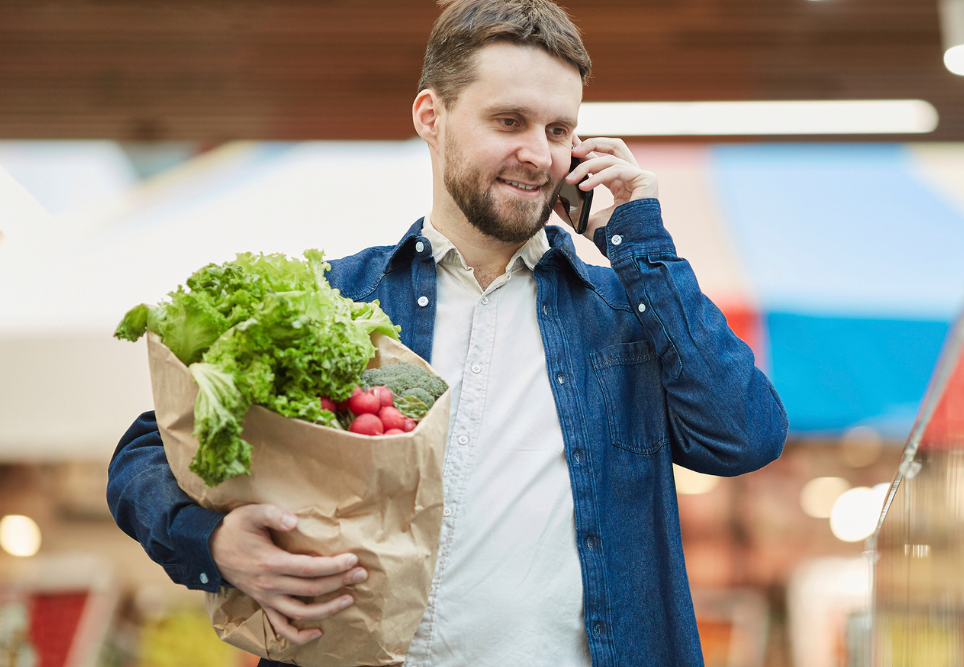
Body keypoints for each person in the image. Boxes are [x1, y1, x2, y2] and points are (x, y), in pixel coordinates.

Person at [107, 1, 788, 665]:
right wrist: (215, 541)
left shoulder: (622, 316)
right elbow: (149, 446)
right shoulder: (342, 299)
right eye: (509, 121)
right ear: (431, 117)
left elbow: (744, 432)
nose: (538, 154)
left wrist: (640, 241)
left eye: (558, 130)